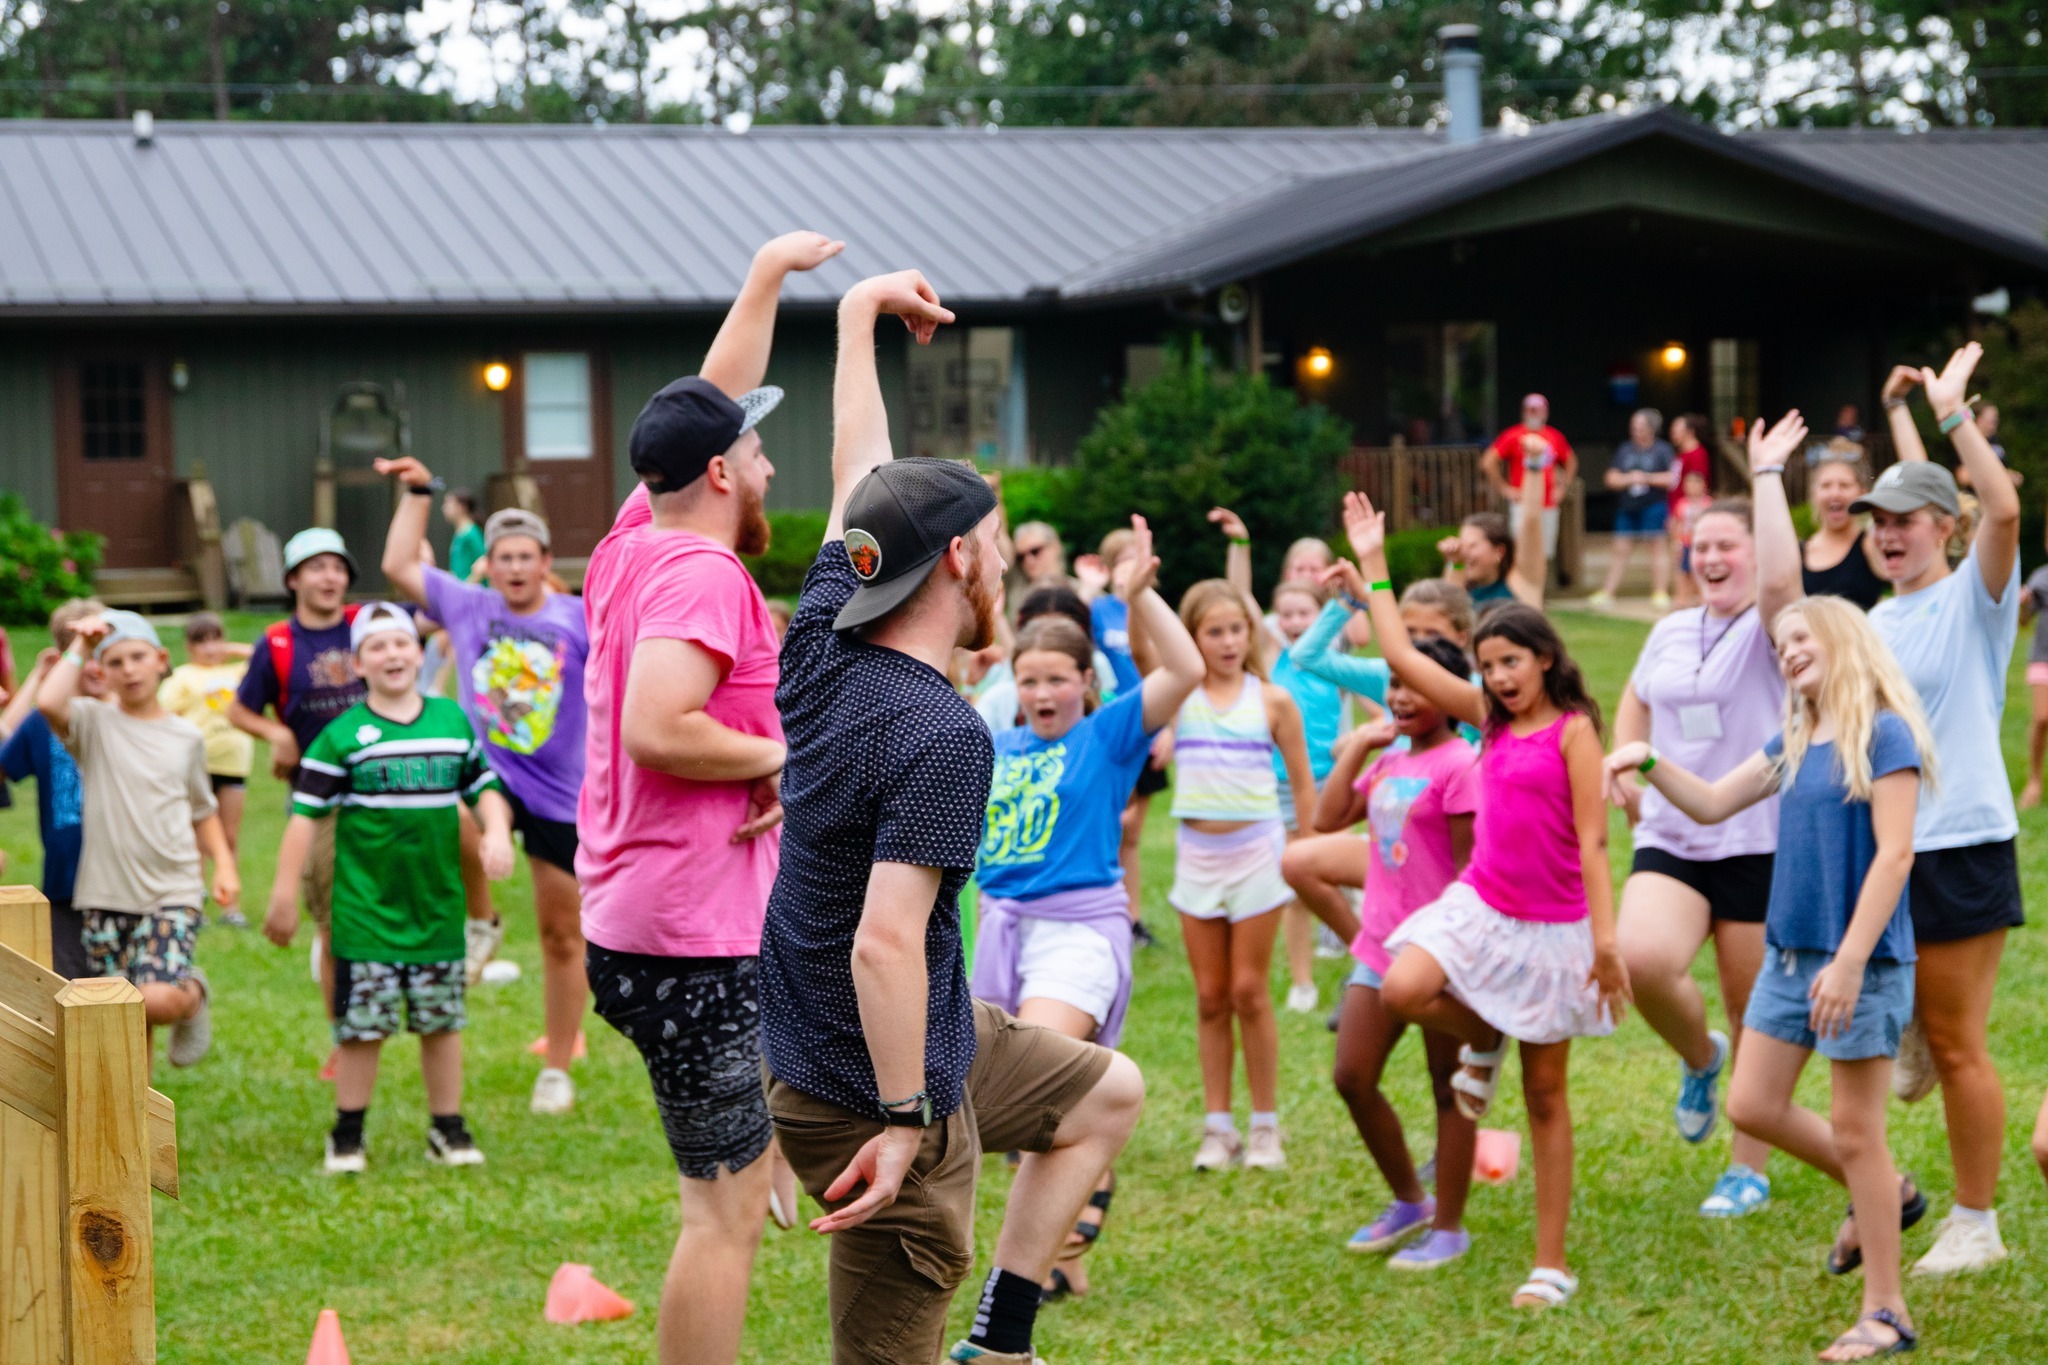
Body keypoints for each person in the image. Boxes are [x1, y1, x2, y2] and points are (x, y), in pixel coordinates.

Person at [760, 269, 1143, 1365]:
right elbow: (884, 943)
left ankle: (1003, 1339)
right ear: (964, 559)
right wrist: (898, 1122)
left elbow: (858, 477)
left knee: (1105, 1091)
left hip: (890, 1033)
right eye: (994, 530)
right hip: (866, 1075)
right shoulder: (943, 733)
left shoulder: (823, 640)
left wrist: (853, 318)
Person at [579, 230, 842, 1365]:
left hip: (652, 919)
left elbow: (707, 402)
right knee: (719, 1214)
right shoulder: (698, 572)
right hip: (687, 936)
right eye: (760, 448)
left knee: (730, 1187)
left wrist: (765, 278)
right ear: (724, 474)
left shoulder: (631, 541)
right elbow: (656, 728)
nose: (773, 463)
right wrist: (780, 755)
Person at [1607, 593, 1934, 1362]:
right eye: (1781, 643)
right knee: (1753, 1104)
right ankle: (1886, 1190)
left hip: (1861, 957)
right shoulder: (1796, 735)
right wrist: (1647, 760)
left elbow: (1895, 855)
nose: (1787, 651)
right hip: (1790, 956)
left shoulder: (1882, 733)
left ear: (1843, 639)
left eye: (1800, 637)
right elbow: (1717, 802)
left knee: (1858, 1130)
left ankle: (1885, 1308)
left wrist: (1851, 960)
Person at [1342, 489, 1629, 1312]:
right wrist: (1373, 561)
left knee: (1546, 1097)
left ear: (1543, 659)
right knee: (1402, 985)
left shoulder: (1573, 729)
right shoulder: (1487, 721)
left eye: (1513, 662)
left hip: (1554, 930)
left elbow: (1596, 842)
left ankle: (1550, 1260)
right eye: (1490, 664)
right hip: (1481, 907)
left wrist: (1605, 943)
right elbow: (1401, 651)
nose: (1500, 677)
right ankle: (1480, 1042)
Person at [970, 514, 1202, 1301]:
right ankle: (1061, 1257)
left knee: (1037, 1080)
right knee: (1014, 1102)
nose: (1041, 693)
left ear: (1085, 684)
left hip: (1077, 932)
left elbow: (1185, 668)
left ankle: (1010, 1288)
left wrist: (1142, 597)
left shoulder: (1107, 736)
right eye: (1029, 680)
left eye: (1057, 679)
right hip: (997, 931)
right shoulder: (995, 745)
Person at [1843, 342, 2023, 1277]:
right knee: (1863, 1028)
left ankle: (1976, 1221)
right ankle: (1875, 1181)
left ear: (1945, 528)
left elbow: (2002, 505)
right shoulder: (1876, 619)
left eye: (1908, 518)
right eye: (1877, 519)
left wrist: (1950, 414)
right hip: (1888, 848)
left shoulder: (1975, 599)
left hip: (1962, 845)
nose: (1889, 531)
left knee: (1958, 1044)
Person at [1610, 412, 1810, 1220]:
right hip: (1672, 831)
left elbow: (1782, 587)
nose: (1713, 558)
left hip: (1758, 838)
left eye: (1730, 545)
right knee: (1640, 958)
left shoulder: (1774, 628)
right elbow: (1634, 700)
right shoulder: (1666, 628)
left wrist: (1764, 476)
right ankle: (1699, 1059)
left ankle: (1746, 1166)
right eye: (1702, 547)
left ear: (1756, 555)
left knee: (1750, 1003)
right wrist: (1625, 762)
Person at [266, 602, 514, 1173]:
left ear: (419, 651)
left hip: (436, 911)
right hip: (366, 914)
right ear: (358, 663)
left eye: (401, 643)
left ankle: (447, 1127)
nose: (392, 654)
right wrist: (283, 894)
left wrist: (496, 832)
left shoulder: (451, 721)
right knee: (362, 1028)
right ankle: (347, 1132)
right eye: (377, 646)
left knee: (442, 1022)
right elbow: (304, 815)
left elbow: (485, 788)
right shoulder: (343, 736)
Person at [377, 465, 593, 1116]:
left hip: (560, 788)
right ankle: (481, 918)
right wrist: (419, 493)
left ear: (546, 562)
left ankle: (557, 1064)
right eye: (505, 558)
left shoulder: (580, 616)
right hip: (483, 772)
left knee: (562, 932)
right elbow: (396, 563)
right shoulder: (468, 606)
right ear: (490, 566)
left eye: (527, 557)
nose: (517, 568)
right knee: (450, 815)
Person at [1285, 631, 1481, 1269]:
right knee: (1352, 1077)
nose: (1398, 695)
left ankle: (1449, 1226)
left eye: (1414, 684)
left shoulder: (1459, 765)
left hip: (1436, 953)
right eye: (1394, 683)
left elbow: (1465, 870)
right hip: (1379, 947)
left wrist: (1455, 956)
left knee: (1448, 1088)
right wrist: (1361, 747)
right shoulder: (1392, 760)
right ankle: (1410, 1200)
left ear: (1450, 698)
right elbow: (1326, 820)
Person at [37, 610, 236, 1065]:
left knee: (155, 999)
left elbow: (203, 809)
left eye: (138, 657)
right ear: (101, 671)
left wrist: (224, 864)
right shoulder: (93, 723)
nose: (128, 670)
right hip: (105, 894)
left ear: (161, 660)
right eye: (115, 661)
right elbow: (49, 701)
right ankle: (138, 1120)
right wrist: (80, 646)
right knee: (122, 1019)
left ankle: (192, 996)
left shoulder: (185, 736)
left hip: (173, 888)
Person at [1171, 577, 1316, 1171]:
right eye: (1214, 632)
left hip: (1258, 852)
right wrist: (1137, 595)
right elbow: (1142, 648)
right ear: (1193, 637)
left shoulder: (1272, 699)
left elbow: (1304, 784)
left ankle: (1264, 1128)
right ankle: (1218, 1128)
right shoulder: (1179, 694)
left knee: (1249, 991)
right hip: (1195, 855)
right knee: (1210, 997)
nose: (1228, 642)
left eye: (1237, 630)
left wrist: (1307, 847)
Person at [229, 527, 368, 1045]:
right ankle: (342, 1035)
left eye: (337, 567)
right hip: (317, 798)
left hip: (384, 790)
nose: (329, 577)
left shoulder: (366, 626)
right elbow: (238, 708)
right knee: (334, 924)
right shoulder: (278, 643)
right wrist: (276, 731)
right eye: (316, 567)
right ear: (293, 579)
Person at [0, 599, 104, 978]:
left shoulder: (123, 712)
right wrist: (34, 681)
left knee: (132, 993)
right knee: (71, 987)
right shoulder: (39, 724)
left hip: (124, 877)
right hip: (65, 880)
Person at [160, 613, 254, 927]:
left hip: (234, 762)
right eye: (202, 641)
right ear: (189, 646)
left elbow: (265, 659)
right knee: (197, 838)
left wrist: (234, 649)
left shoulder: (238, 671)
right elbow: (165, 711)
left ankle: (231, 908)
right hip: (196, 764)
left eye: (215, 639)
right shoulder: (183, 676)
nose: (210, 647)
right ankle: (194, 906)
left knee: (228, 836)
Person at [1591, 408, 1676, 609]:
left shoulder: (1663, 450)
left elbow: (1673, 478)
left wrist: (1647, 478)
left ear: (1652, 428)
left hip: (1654, 505)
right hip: (1627, 506)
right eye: (1634, 426)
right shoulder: (1625, 450)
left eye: (1640, 426)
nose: (1635, 430)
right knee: (1620, 549)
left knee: (1656, 547)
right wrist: (1629, 478)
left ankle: (1660, 592)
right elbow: (1610, 478)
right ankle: (1608, 592)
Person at [1483, 393, 1577, 559]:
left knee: (1545, 552)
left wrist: (1562, 488)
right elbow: (1488, 461)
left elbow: (1571, 461)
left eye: (1538, 410)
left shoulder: (1554, 436)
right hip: (1523, 501)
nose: (1534, 413)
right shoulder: (1513, 435)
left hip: (1548, 502)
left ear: (1545, 412)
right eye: (1530, 410)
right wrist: (1505, 488)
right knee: (1521, 549)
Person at [1436, 477, 1551, 610]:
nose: (1464, 552)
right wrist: (1456, 562)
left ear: (1499, 551)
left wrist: (1534, 464)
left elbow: (1531, 519)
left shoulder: (1521, 584)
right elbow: (1446, 612)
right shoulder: (1465, 593)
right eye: (1462, 545)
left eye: (1472, 545)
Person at [1801, 449, 1889, 612]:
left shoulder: (1871, 543)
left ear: (1862, 493)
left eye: (1845, 485)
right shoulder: (1800, 551)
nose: (1835, 493)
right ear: (1814, 493)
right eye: (1826, 485)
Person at [1668, 414, 1716, 609]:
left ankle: (1699, 599)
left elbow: (1697, 481)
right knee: (1682, 566)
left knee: (1697, 567)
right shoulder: (1680, 454)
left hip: (1693, 524)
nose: (1673, 432)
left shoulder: (1697, 454)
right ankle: (1682, 598)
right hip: (1680, 515)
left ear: (1689, 431)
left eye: (1677, 428)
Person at [2021, 549, 2048, 810]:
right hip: (2043, 658)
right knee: (2042, 719)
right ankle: (2035, 780)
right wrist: (2023, 605)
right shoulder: (2041, 577)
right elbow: (2023, 622)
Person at [445, 487, 486, 583]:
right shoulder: (460, 533)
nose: (444, 508)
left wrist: (468, 588)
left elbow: (483, 562)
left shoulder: (471, 534)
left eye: (448, 504)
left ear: (461, 507)